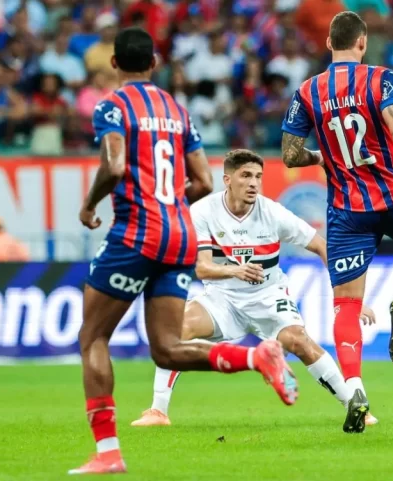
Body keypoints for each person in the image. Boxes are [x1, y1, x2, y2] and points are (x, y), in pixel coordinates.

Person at [70, 28, 295, 475]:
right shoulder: (177, 110)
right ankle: (256, 356)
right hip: (179, 234)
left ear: (114, 63)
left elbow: (114, 165)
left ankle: (108, 453)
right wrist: (170, 203)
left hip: (137, 232)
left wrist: (90, 204)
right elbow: (205, 181)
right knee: (168, 349)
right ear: (154, 64)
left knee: (93, 337)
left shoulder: (113, 106)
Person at [279, 11, 393, 434]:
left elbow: (289, 155)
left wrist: (321, 157)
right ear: (362, 42)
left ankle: (355, 388)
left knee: (346, 304)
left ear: (328, 44)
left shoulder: (307, 91)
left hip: (347, 210)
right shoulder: (381, 79)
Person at [131, 150, 379, 430]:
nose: (253, 183)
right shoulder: (202, 212)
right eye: (246, 175)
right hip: (222, 297)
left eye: (258, 177)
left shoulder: (273, 212)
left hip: (268, 295)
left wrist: (348, 299)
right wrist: (234, 270)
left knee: (298, 340)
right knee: (177, 329)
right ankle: (158, 411)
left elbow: (321, 246)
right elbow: (201, 268)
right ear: (227, 179)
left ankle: (356, 407)